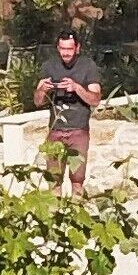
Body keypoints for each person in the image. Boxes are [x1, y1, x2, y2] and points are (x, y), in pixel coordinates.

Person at [35, 29, 102, 193]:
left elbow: (96, 99)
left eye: (69, 49)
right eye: (63, 49)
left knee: (77, 181)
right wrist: (43, 90)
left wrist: (76, 88)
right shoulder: (49, 66)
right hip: (55, 131)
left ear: (77, 48)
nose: (66, 53)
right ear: (58, 48)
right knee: (54, 181)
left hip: (78, 130)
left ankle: (76, 212)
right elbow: (37, 102)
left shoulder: (88, 66)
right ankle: (56, 216)